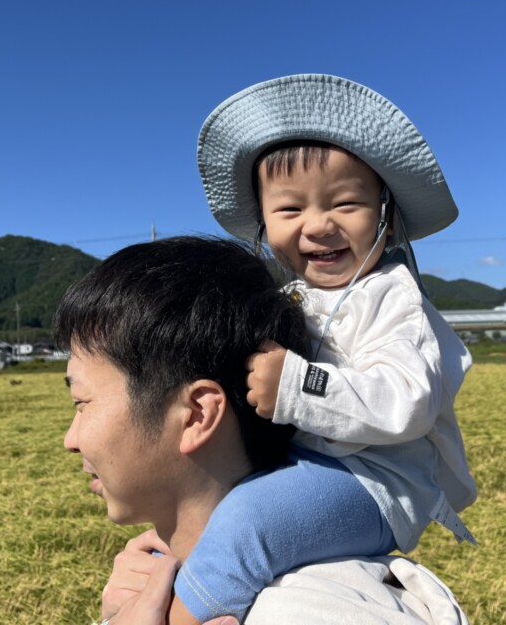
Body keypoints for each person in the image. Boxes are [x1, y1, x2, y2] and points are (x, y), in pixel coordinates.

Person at [168, 74, 477, 623]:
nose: (319, 225)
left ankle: (182, 616)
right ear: (263, 222)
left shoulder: (391, 297)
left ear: (386, 214)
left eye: (347, 202)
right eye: (290, 211)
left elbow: (407, 400)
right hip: (309, 466)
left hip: (375, 482)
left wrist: (294, 384)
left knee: (248, 522)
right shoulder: (290, 298)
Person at [56, 236, 468, 624]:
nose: (69, 441)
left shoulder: (303, 612)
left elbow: (407, 398)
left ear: (197, 414)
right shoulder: (140, 585)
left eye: (82, 403)